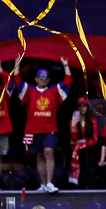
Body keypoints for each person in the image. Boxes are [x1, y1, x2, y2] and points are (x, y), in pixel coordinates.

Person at [14, 61, 70, 192]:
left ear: (49, 79)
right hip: (33, 130)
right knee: (39, 156)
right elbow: (17, 80)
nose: (43, 79)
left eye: (45, 77)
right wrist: (17, 63)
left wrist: (66, 65)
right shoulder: (29, 91)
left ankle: (50, 183)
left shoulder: (54, 91)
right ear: (36, 79)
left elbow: (68, 81)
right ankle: (43, 185)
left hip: (50, 129)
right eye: (40, 77)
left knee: (49, 152)